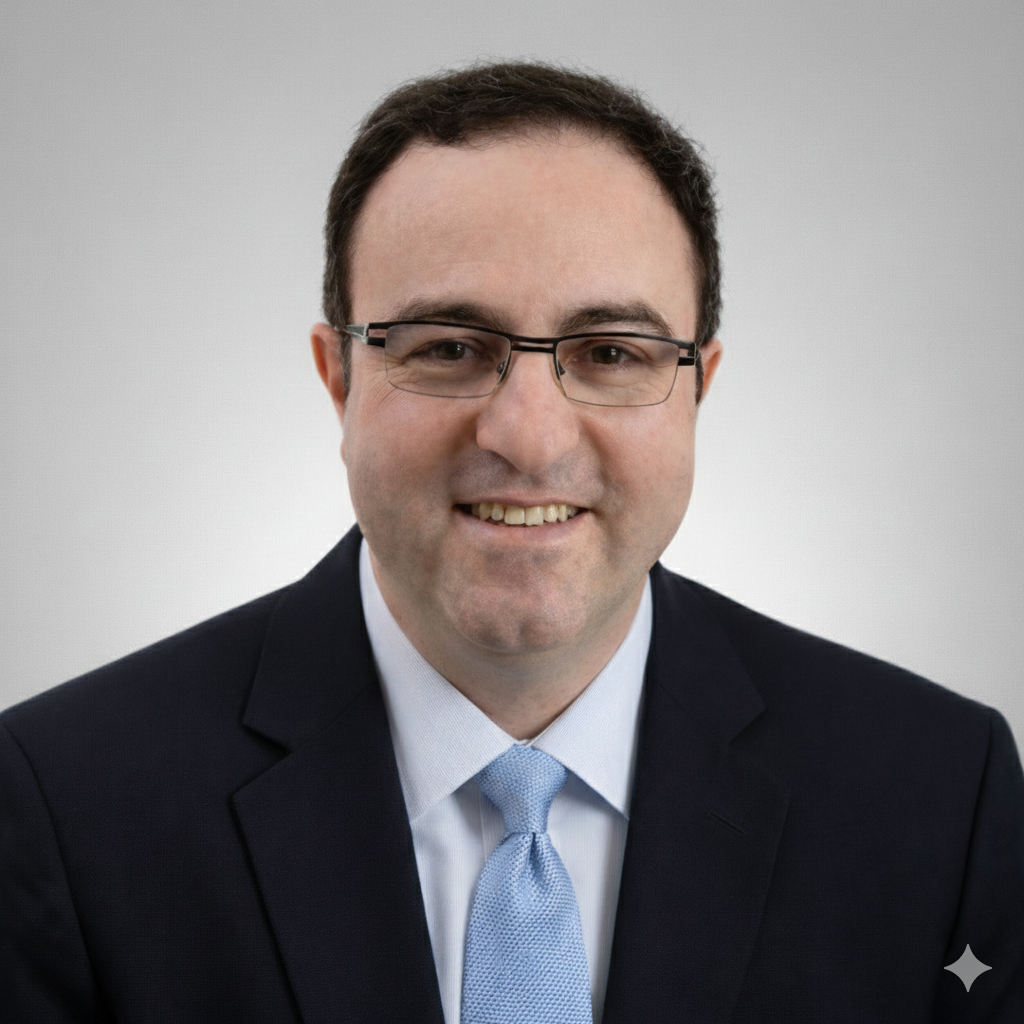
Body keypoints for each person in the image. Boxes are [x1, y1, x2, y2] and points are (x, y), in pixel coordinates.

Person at [1, 61, 1022, 1024]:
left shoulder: (939, 795)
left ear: (698, 387)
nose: (528, 437)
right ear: (337, 378)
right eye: (449, 346)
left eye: (610, 351)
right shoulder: (64, 804)